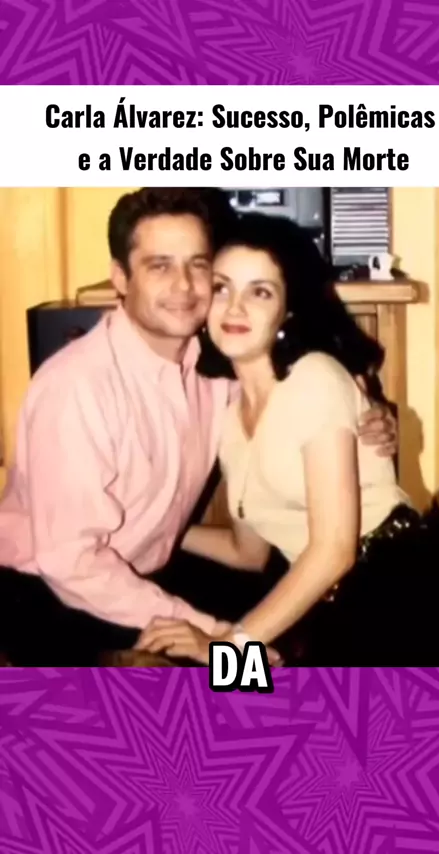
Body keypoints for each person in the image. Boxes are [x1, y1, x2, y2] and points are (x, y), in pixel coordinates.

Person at [0, 189, 397, 666]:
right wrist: (216, 638)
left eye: (198, 265)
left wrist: (369, 412)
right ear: (121, 277)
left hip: (149, 572)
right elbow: (71, 561)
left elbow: (303, 387)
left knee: (270, 649)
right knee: (220, 676)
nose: (185, 285)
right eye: (160, 266)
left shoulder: (217, 378)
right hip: (50, 594)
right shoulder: (76, 387)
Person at [135, 212, 439, 665]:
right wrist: (154, 531)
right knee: (212, 680)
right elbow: (247, 552)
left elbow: (334, 551)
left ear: (287, 310)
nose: (235, 307)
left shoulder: (314, 377)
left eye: (260, 292)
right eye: (222, 288)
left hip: (398, 591)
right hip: (324, 605)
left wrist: (226, 649)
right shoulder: (229, 420)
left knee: (230, 678)